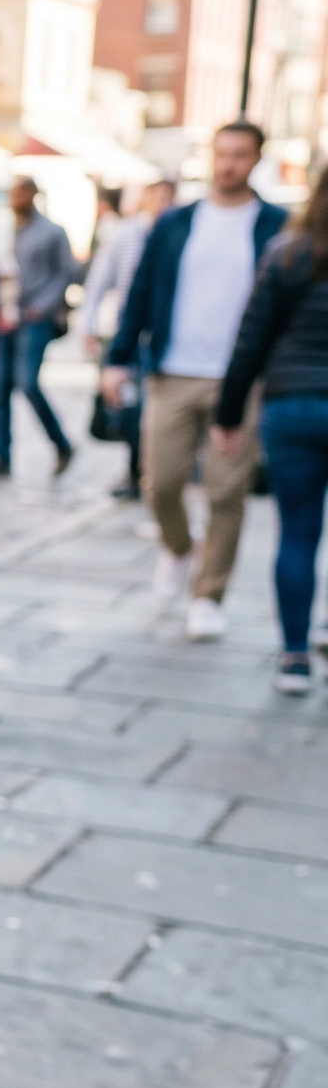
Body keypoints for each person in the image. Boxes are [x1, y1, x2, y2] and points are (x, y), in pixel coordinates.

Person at [101, 121, 287, 641]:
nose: (228, 164)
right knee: (160, 482)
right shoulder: (176, 223)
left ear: (256, 160)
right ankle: (180, 547)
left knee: (227, 492)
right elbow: (140, 291)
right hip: (174, 371)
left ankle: (209, 595)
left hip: (241, 380)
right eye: (222, 153)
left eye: (240, 155)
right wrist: (118, 358)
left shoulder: (276, 225)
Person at [214, 158, 328, 694]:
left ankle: (295, 656)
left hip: (292, 405)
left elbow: (251, 338)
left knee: (298, 532)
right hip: (299, 401)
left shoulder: (288, 252)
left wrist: (229, 413)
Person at [80, 176, 178, 497]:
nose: (164, 204)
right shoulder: (125, 235)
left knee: (155, 406)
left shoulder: (178, 235)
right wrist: (88, 325)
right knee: (131, 408)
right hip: (129, 332)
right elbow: (99, 281)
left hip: (165, 333)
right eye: (158, 197)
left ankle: (149, 469)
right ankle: (137, 470)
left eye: (169, 198)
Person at [0, 177, 81, 477]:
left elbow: (67, 272)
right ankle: (2, 455)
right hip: (6, 315)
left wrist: (45, 305)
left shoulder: (52, 231)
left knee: (27, 383)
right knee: (0, 388)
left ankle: (61, 443)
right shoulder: (4, 230)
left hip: (34, 317)